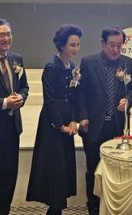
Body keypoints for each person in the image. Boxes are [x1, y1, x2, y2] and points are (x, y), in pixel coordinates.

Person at [78, 26, 132, 215]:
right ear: (102, 43)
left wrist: (128, 100)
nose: (115, 50)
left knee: (117, 170)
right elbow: (80, 94)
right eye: (111, 45)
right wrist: (83, 117)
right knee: (93, 169)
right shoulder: (88, 63)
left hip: (118, 126)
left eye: (119, 45)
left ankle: (114, 207)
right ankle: (94, 208)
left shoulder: (129, 63)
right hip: (94, 126)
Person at [27, 24, 86, 215]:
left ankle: (56, 210)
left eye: (78, 44)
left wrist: (74, 121)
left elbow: (75, 97)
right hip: (52, 124)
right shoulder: (52, 67)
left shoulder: (73, 67)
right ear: (61, 45)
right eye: (72, 45)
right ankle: (55, 210)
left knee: (64, 169)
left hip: (68, 122)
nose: (76, 49)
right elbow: (50, 100)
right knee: (55, 169)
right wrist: (60, 125)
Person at [0, 19, 29, 215]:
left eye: (8, 34)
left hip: (12, 129)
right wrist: (4, 103)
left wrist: (21, 97)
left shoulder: (16, 59)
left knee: (8, 180)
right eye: (0, 35)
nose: (6, 38)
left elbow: (24, 86)